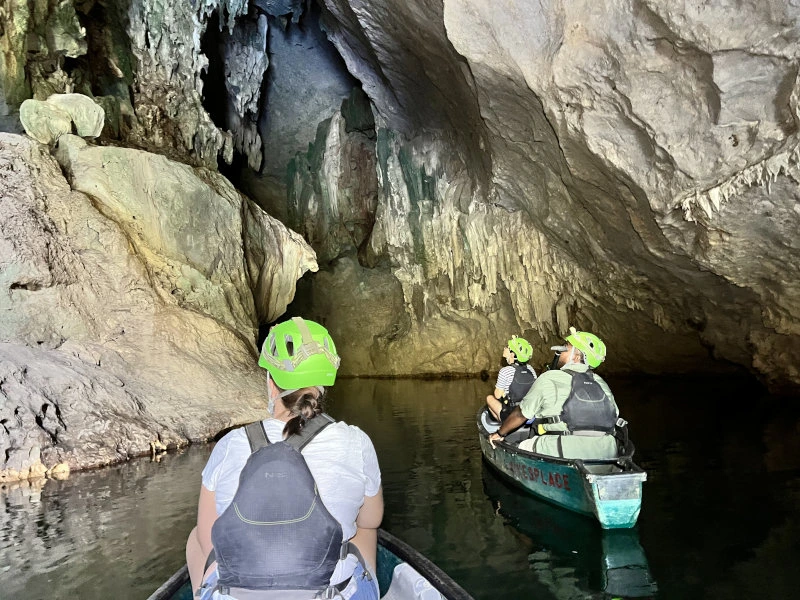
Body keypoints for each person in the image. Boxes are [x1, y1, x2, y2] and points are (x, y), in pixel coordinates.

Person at [185, 317, 383, 599]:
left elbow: (210, 540)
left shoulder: (231, 444)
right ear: (323, 385)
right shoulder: (356, 441)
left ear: (271, 383)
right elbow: (372, 519)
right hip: (327, 592)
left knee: (197, 538)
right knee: (365, 530)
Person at [489, 327, 619, 460]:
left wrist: (499, 433)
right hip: (607, 450)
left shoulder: (550, 377)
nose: (561, 350)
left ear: (576, 356)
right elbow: (614, 415)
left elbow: (521, 414)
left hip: (563, 449)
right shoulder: (601, 382)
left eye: (565, 347)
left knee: (521, 446)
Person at [485, 335, 537, 424]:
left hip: (513, 416)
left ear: (512, 355)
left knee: (489, 398)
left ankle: (505, 425)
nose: (505, 348)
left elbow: (497, 395)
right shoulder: (530, 369)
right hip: (529, 412)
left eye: (508, 348)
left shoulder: (505, 371)